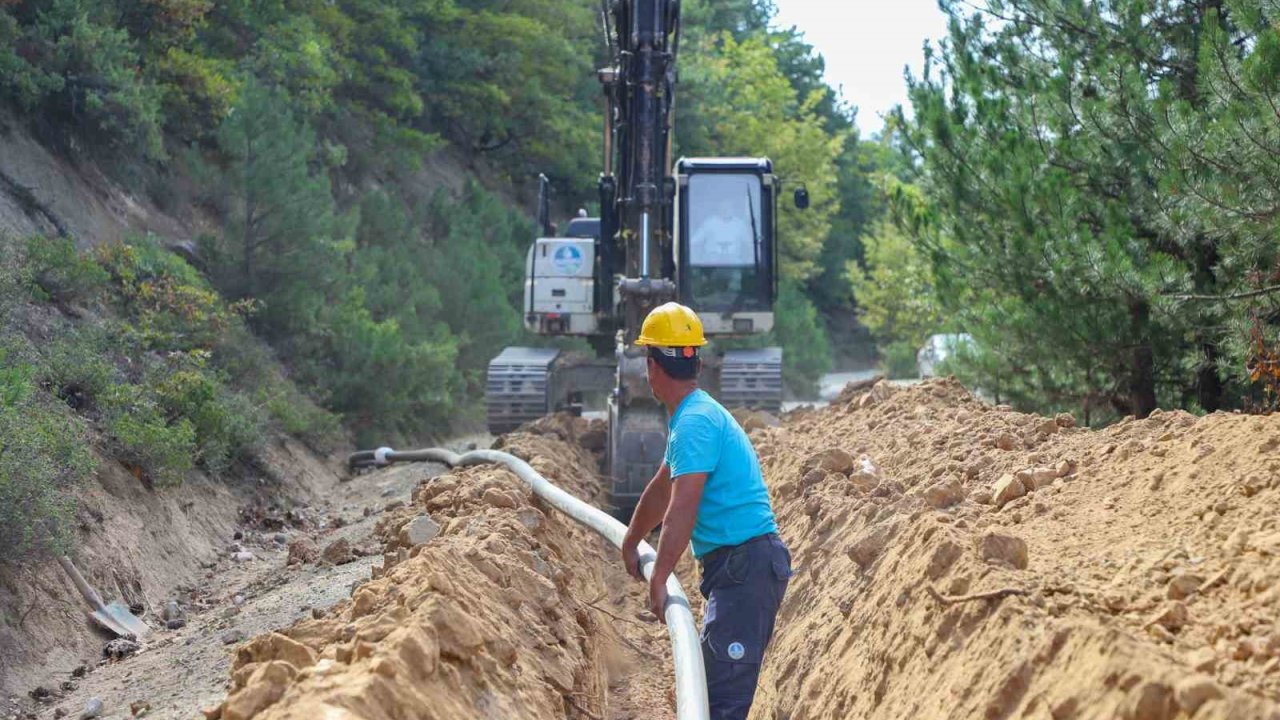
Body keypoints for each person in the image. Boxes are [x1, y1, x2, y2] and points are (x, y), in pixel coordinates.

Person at [620, 302, 791, 720]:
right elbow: (662, 489)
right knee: (714, 693)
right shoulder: (694, 416)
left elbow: (682, 506)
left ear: (652, 366)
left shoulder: (694, 422)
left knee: (721, 705)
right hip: (739, 567)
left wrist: (659, 576)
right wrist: (631, 540)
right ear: (695, 360)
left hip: (744, 568)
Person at [690, 194, 754, 266]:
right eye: (723, 207)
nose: (725, 209)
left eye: (728, 207)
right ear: (719, 208)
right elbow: (694, 241)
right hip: (711, 262)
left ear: (732, 208)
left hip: (734, 262)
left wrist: (750, 257)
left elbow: (750, 244)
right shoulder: (709, 223)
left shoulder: (740, 224)